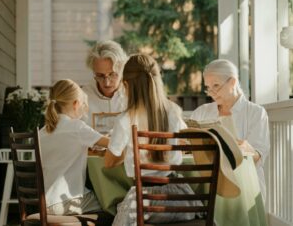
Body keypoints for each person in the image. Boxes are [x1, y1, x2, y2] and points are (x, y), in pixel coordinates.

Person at [105, 54, 201, 225]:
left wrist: (129, 149)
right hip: (181, 201)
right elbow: (183, 143)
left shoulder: (126, 119)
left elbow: (109, 162)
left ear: (126, 85)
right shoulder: (174, 111)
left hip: (145, 204)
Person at [190, 59, 270, 200]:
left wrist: (246, 149)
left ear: (232, 82)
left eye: (216, 85)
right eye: (208, 87)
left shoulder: (256, 112)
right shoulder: (201, 112)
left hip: (244, 183)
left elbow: (259, 155)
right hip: (209, 181)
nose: (211, 92)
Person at [39, 79, 109, 215]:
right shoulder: (77, 127)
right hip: (68, 201)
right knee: (111, 206)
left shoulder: (42, 132)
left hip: (45, 203)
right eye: (83, 104)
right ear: (76, 104)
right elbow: (113, 144)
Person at [82, 40, 128, 126]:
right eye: (100, 75)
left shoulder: (132, 95)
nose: (106, 83)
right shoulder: (83, 97)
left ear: (122, 70)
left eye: (112, 74)